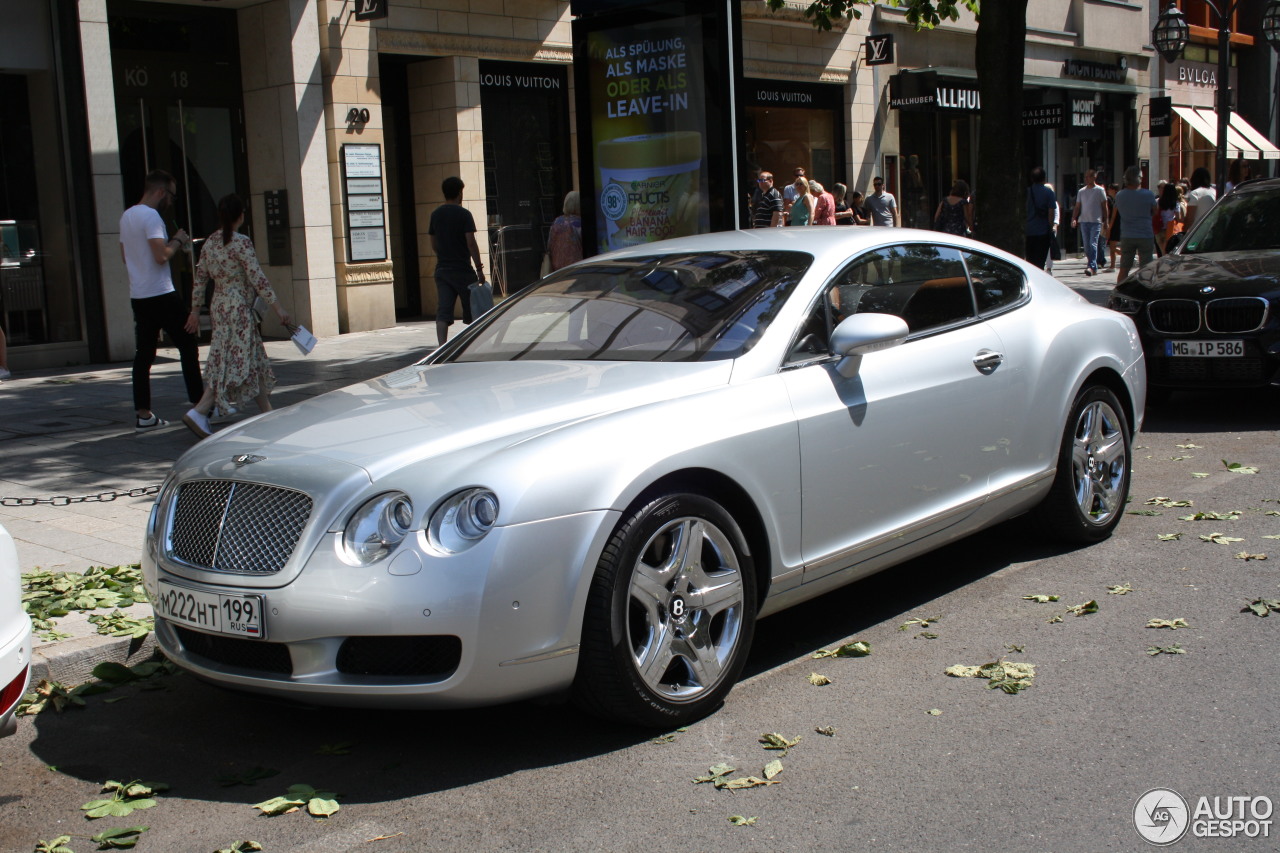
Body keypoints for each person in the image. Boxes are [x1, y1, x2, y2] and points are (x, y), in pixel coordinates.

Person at [180, 194, 291, 439]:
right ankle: (201, 409)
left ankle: (267, 411)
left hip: (219, 306)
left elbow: (199, 281)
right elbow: (257, 277)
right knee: (234, 360)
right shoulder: (241, 242)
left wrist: (195, 311)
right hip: (239, 308)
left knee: (246, 357)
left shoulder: (210, 243)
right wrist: (278, 308)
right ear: (240, 215)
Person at [119, 169, 203, 432]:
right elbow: (162, 255)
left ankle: (144, 414)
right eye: (171, 195)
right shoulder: (151, 216)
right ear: (160, 192)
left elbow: (125, 257)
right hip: (161, 293)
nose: (171, 200)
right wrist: (177, 240)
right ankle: (201, 406)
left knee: (143, 355)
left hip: (139, 294)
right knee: (188, 344)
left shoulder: (127, 216)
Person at [428, 176, 486, 345]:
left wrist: (444, 254)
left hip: (443, 269)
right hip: (463, 270)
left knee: (443, 312)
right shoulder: (464, 214)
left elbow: (433, 243)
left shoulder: (435, 214)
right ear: (459, 193)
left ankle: (441, 346)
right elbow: (471, 243)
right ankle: (473, 344)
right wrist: (479, 269)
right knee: (473, 311)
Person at [1109, 166, 1158, 282]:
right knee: (1146, 268)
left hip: (1127, 234)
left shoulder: (1120, 195)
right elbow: (1155, 212)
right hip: (1145, 234)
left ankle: (1120, 291)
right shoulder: (1148, 195)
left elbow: (1117, 211)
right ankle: (1144, 291)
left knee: (1124, 268)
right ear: (1139, 178)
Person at [1071, 169, 1108, 276]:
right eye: (1085, 177)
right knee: (1087, 246)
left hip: (1096, 222)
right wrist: (1074, 218)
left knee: (1093, 244)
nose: (1086, 179)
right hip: (1084, 221)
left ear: (1094, 177)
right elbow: (1077, 206)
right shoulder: (1081, 191)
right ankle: (1092, 265)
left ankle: (1091, 266)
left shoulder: (1100, 190)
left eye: (1088, 176)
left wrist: (1106, 221)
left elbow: (1104, 206)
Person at [1024, 166, 1056, 270]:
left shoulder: (1026, 192)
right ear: (1044, 178)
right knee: (1040, 261)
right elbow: (1051, 212)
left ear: (1032, 179)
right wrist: (1050, 226)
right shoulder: (1049, 192)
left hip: (1028, 231)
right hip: (1043, 232)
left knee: (1030, 260)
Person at [547, 190, 582, 271]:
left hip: (558, 271)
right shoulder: (579, 223)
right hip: (576, 269)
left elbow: (549, 245)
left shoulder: (556, 222)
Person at [1183, 166, 1216, 230]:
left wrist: (1184, 230)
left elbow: (1190, 218)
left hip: (1197, 233)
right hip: (1211, 230)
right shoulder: (1214, 191)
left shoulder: (1195, 193)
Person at [1157, 182, 1185, 255]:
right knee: (1168, 250)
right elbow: (1179, 218)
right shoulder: (1175, 203)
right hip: (1170, 227)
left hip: (1159, 227)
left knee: (1161, 250)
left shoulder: (1158, 201)